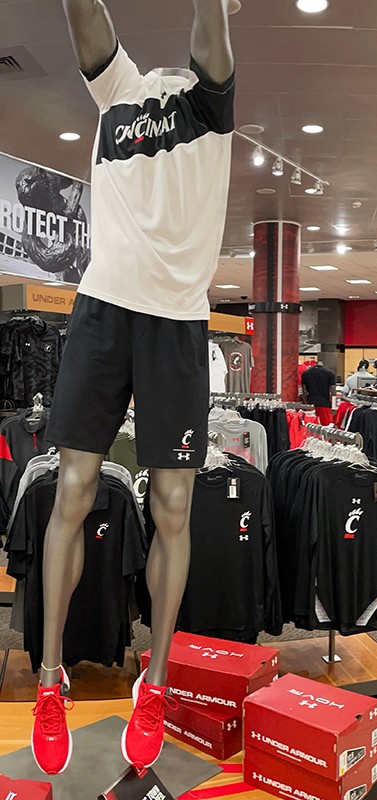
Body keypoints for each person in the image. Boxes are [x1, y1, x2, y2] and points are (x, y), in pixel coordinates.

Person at [34, 0, 234, 775]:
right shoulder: (117, 89)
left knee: (174, 505)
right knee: (72, 489)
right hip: (103, 308)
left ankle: (155, 681)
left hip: (177, 324)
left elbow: (210, 32)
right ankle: (51, 678)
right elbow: (85, 16)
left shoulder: (211, 100)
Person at [301, 360, 338, 425]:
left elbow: (304, 391)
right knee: (325, 427)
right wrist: (334, 406)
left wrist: (307, 403)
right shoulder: (330, 373)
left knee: (310, 428)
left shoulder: (306, 373)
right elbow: (333, 392)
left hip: (310, 403)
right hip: (324, 404)